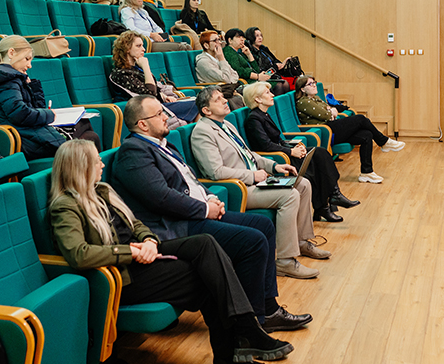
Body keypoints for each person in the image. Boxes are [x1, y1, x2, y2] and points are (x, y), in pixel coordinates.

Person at [48, 139, 293, 364]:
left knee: (205, 243)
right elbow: (79, 254)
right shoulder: (65, 206)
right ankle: (239, 342)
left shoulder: (103, 191)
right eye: (96, 161)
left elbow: (136, 223)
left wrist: (148, 240)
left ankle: (243, 334)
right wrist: (130, 252)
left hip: (144, 254)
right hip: (123, 275)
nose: (102, 164)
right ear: (80, 167)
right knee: (208, 278)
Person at [111, 94, 313, 332]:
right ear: (142, 124)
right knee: (252, 241)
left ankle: (267, 308)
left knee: (263, 226)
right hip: (174, 225)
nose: (166, 117)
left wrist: (209, 197)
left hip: (192, 213)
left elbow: (191, 180)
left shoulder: (163, 145)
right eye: (159, 114)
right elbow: (162, 198)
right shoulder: (133, 152)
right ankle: (255, 320)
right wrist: (206, 209)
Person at [192, 86, 330, 279]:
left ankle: (301, 242)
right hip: (240, 188)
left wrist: (274, 166)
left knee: (303, 184)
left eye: (223, 97)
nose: (225, 100)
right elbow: (215, 172)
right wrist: (252, 176)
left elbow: (250, 155)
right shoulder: (202, 132)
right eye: (218, 99)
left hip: (255, 181)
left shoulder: (226, 125)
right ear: (206, 110)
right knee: (290, 195)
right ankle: (285, 261)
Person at [242, 82, 359, 223]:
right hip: (277, 158)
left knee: (320, 153)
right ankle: (325, 205)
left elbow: (278, 140)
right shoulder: (254, 119)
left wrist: (296, 147)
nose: (272, 95)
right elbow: (265, 145)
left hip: (282, 151)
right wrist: (291, 151)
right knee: (315, 166)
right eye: (267, 93)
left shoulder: (264, 114)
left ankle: (333, 195)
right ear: (257, 99)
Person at [0, 35, 99, 159]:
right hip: (20, 139)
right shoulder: (5, 79)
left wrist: (32, 87)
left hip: (26, 133)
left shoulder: (4, 77)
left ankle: (86, 172)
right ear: (11, 53)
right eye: (27, 59)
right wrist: (50, 115)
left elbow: (34, 108)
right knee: (89, 138)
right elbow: (19, 114)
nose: (29, 65)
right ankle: (86, 173)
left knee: (87, 131)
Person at [295, 75, 404, 184]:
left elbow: (332, 109)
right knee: (360, 119)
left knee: (366, 135)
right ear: (302, 89)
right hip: (326, 132)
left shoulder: (316, 98)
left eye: (314, 82)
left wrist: (331, 111)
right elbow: (326, 115)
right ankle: (384, 142)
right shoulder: (303, 102)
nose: (314, 85)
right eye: (310, 84)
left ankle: (367, 172)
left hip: (331, 126)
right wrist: (331, 112)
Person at [109, 32, 198, 123]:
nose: (143, 49)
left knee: (201, 103)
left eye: (142, 45)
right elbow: (150, 95)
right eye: (138, 46)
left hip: (160, 105)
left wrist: (164, 96)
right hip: (148, 112)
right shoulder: (121, 73)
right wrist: (146, 67)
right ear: (127, 48)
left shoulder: (137, 68)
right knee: (199, 105)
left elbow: (154, 89)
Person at [119, 0, 188, 52]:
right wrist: (151, 35)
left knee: (186, 45)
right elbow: (131, 29)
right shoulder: (126, 11)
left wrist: (160, 34)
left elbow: (155, 27)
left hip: (154, 41)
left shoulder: (143, 11)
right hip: (144, 43)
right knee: (183, 47)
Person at [228, 27, 290, 95]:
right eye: (257, 36)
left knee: (286, 83)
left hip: (262, 77)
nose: (242, 39)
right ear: (230, 40)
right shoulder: (231, 52)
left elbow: (256, 69)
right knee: (280, 85)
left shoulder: (263, 49)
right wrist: (259, 76)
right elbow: (241, 71)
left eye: (261, 35)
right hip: (251, 80)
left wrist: (249, 54)